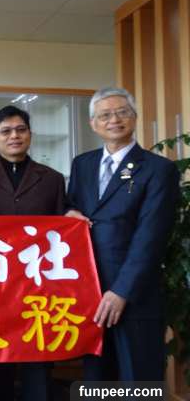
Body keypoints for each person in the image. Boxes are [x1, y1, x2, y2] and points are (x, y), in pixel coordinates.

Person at [66, 87, 179, 382]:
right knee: (97, 379)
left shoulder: (158, 169)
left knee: (138, 379)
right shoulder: (83, 164)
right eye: (105, 115)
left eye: (122, 112)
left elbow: (151, 236)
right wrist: (69, 213)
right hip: (90, 291)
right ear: (93, 123)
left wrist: (121, 291)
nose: (114, 120)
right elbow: (72, 205)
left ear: (134, 118)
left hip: (134, 294)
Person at [0, 105, 66, 401]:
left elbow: (63, 228)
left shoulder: (52, 178)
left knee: (39, 354)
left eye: (21, 130)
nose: (14, 136)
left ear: (30, 135)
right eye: (6, 131)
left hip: (38, 283)